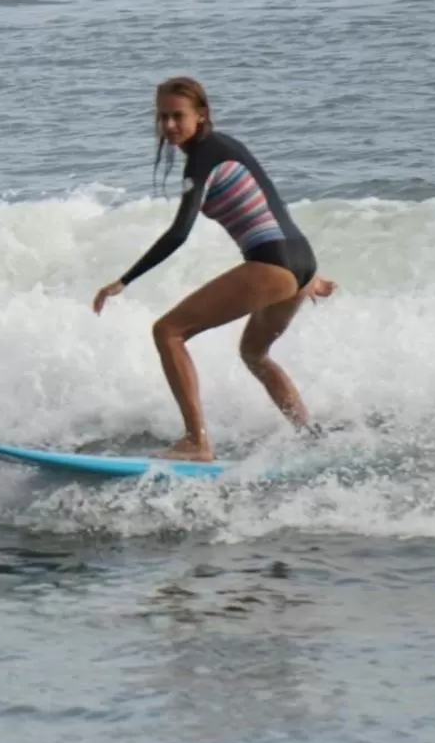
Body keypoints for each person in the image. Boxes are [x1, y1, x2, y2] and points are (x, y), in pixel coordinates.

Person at [92, 76, 335, 462]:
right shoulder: (227, 148)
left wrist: (124, 280)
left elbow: (179, 232)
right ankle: (313, 439)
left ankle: (197, 442)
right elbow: (271, 201)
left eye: (178, 116)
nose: (169, 125)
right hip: (298, 260)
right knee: (254, 353)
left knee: (167, 331)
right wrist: (307, 277)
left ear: (201, 115)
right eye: (162, 117)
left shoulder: (206, 155)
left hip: (275, 263)